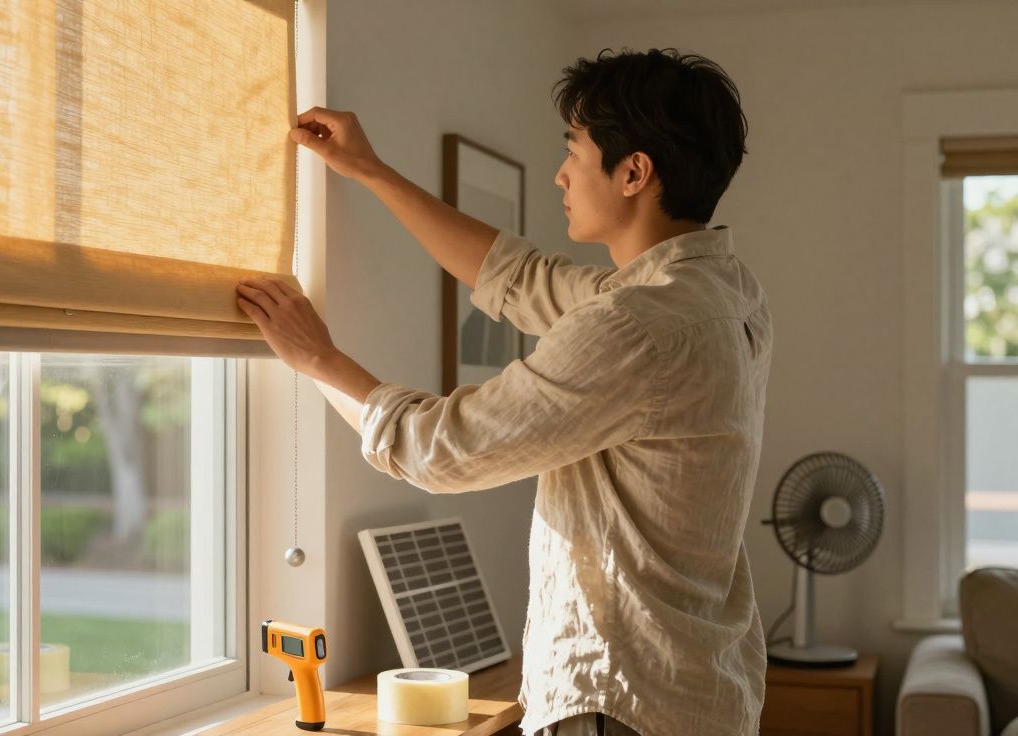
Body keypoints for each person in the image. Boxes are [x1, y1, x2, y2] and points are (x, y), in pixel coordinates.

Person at [236, 47, 770, 736]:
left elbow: (439, 450)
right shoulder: (725, 294)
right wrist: (369, 171)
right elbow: (519, 279)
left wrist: (318, 358)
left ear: (634, 172)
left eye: (575, 150)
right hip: (697, 691)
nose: (561, 174)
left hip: (621, 702)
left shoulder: (639, 326)